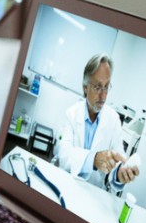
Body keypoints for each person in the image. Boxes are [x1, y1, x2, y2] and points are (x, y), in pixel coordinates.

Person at [55, 54, 139, 191]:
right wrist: (93, 159)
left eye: (106, 87)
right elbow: (64, 155)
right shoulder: (71, 114)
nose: (103, 96)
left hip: (93, 193)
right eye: (98, 87)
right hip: (67, 186)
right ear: (85, 87)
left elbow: (119, 159)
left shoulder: (113, 120)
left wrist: (120, 173)